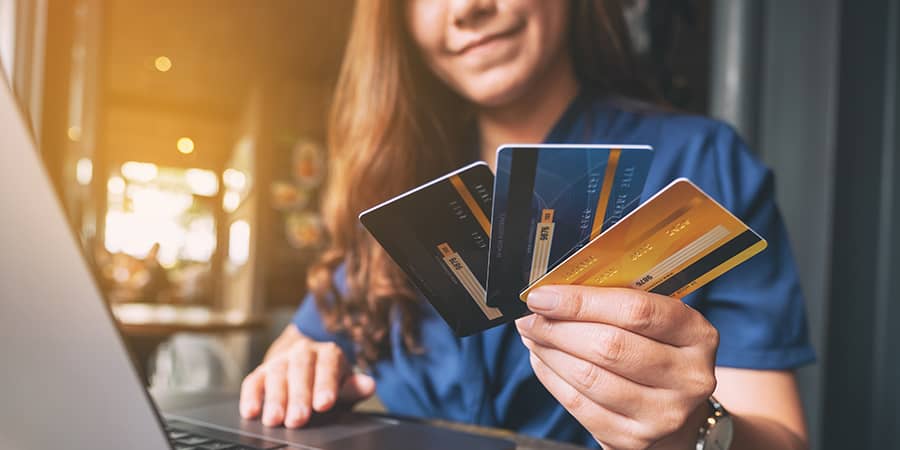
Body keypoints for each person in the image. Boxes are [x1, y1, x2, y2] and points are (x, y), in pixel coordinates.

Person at [239, 1, 814, 449]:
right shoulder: (392, 181)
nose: (465, 9)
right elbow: (295, 353)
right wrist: (297, 371)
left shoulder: (702, 161)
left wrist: (692, 432)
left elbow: (779, 435)